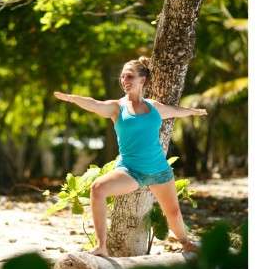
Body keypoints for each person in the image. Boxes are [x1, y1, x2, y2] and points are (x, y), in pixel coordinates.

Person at [53, 56, 206, 257]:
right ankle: (101, 246)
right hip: (132, 171)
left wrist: (194, 112)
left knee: (174, 213)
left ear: (142, 80)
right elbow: (96, 104)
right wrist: (73, 99)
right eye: (123, 77)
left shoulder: (153, 107)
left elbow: (174, 110)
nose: (125, 80)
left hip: (160, 170)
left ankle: (185, 243)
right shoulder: (117, 107)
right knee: (97, 188)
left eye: (130, 76)